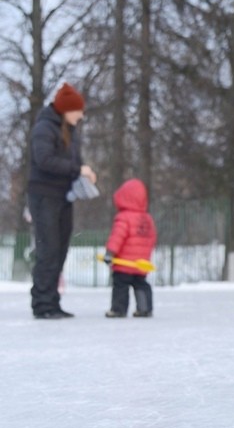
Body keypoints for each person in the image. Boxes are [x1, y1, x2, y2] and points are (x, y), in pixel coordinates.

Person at [27, 83, 98, 319]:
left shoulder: (69, 130)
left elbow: (71, 160)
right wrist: (79, 170)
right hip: (44, 196)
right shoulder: (44, 128)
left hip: (63, 196)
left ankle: (52, 302)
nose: (81, 114)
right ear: (66, 109)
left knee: (60, 250)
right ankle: (42, 304)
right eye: (78, 110)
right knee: (48, 249)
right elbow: (44, 160)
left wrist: (84, 173)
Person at [103, 178, 157, 318]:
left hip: (124, 263)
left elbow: (117, 237)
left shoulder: (124, 217)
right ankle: (145, 308)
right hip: (140, 263)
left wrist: (110, 253)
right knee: (141, 284)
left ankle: (118, 309)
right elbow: (151, 238)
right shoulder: (147, 218)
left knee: (121, 285)